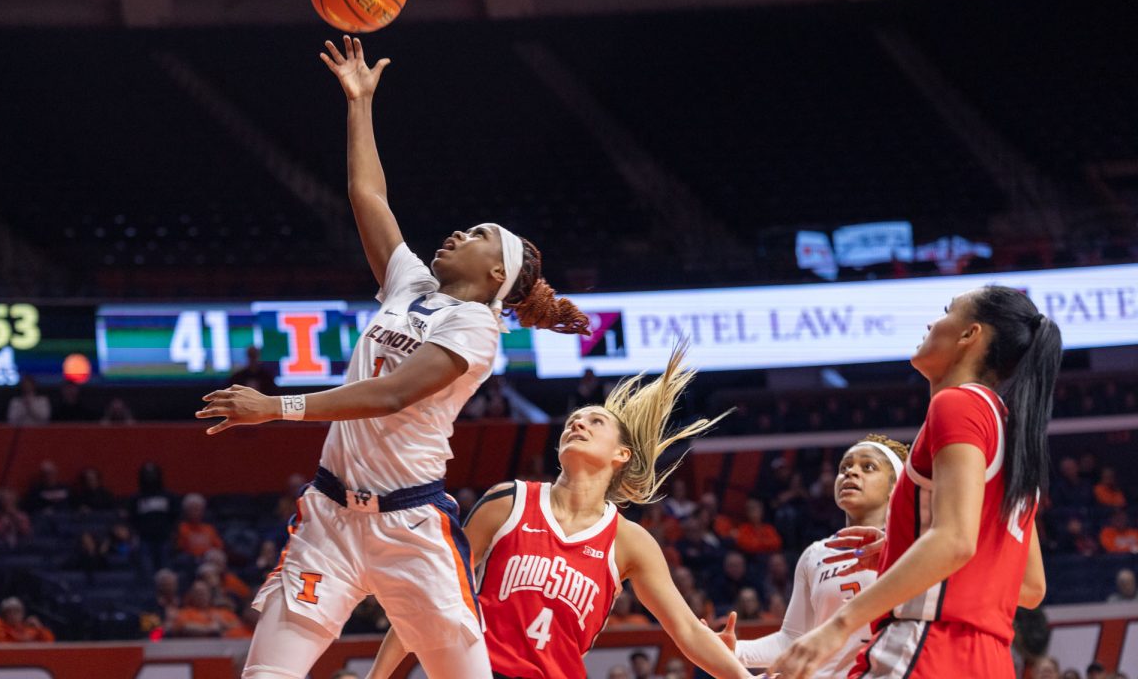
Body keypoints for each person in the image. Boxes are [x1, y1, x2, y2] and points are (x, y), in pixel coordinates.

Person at [196, 36, 589, 679]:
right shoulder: (413, 285)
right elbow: (367, 196)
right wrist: (359, 104)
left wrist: (275, 407)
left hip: (411, 527)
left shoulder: (477, 330)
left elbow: (390, 394)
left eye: (478, 235)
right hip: (329, 517)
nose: (459, 232)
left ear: (495, 272)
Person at [367, 346, 752, 679]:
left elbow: (686, 628)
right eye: (572, 421)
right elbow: (432, 594)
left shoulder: (629, 541)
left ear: (622, 455)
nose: (578, 423)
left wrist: (738, 672)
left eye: (594, 421)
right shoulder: (509, 501)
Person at [771, 286, 1057, 678]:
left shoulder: (958, 404)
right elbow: (1029, 586)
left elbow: (955, 541)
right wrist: (900, 549)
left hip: (927, 646)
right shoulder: (1012, 429)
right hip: (989, 661)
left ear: (969, 335)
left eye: (945, 310)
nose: (930, 322)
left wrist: (835, 627)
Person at [721, 435, 909, 679]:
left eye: (868, 467)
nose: (851, 473)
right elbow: (792, 639)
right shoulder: (815, 554)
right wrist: (736, 649)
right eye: (845, 467)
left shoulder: (916, 547)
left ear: (895, 486)